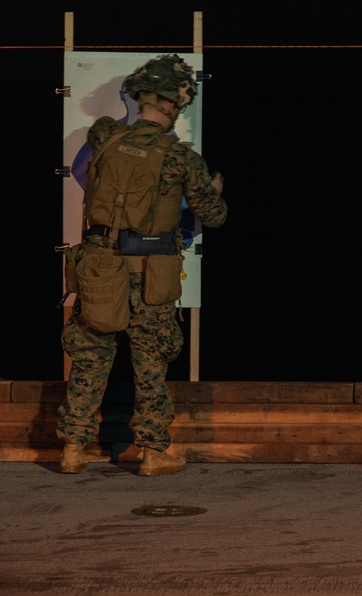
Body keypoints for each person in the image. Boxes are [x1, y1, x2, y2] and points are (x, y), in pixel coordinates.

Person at [57, 54, 228, 477]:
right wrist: (213, 190)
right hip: (151, 271)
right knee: (150, 364)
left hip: (100, 267)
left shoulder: (103, 135)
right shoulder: (181, 159)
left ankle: (73, 450)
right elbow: (215, 215)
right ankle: (153, 453)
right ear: (174, 105)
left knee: (91, 358)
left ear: (140, 97)